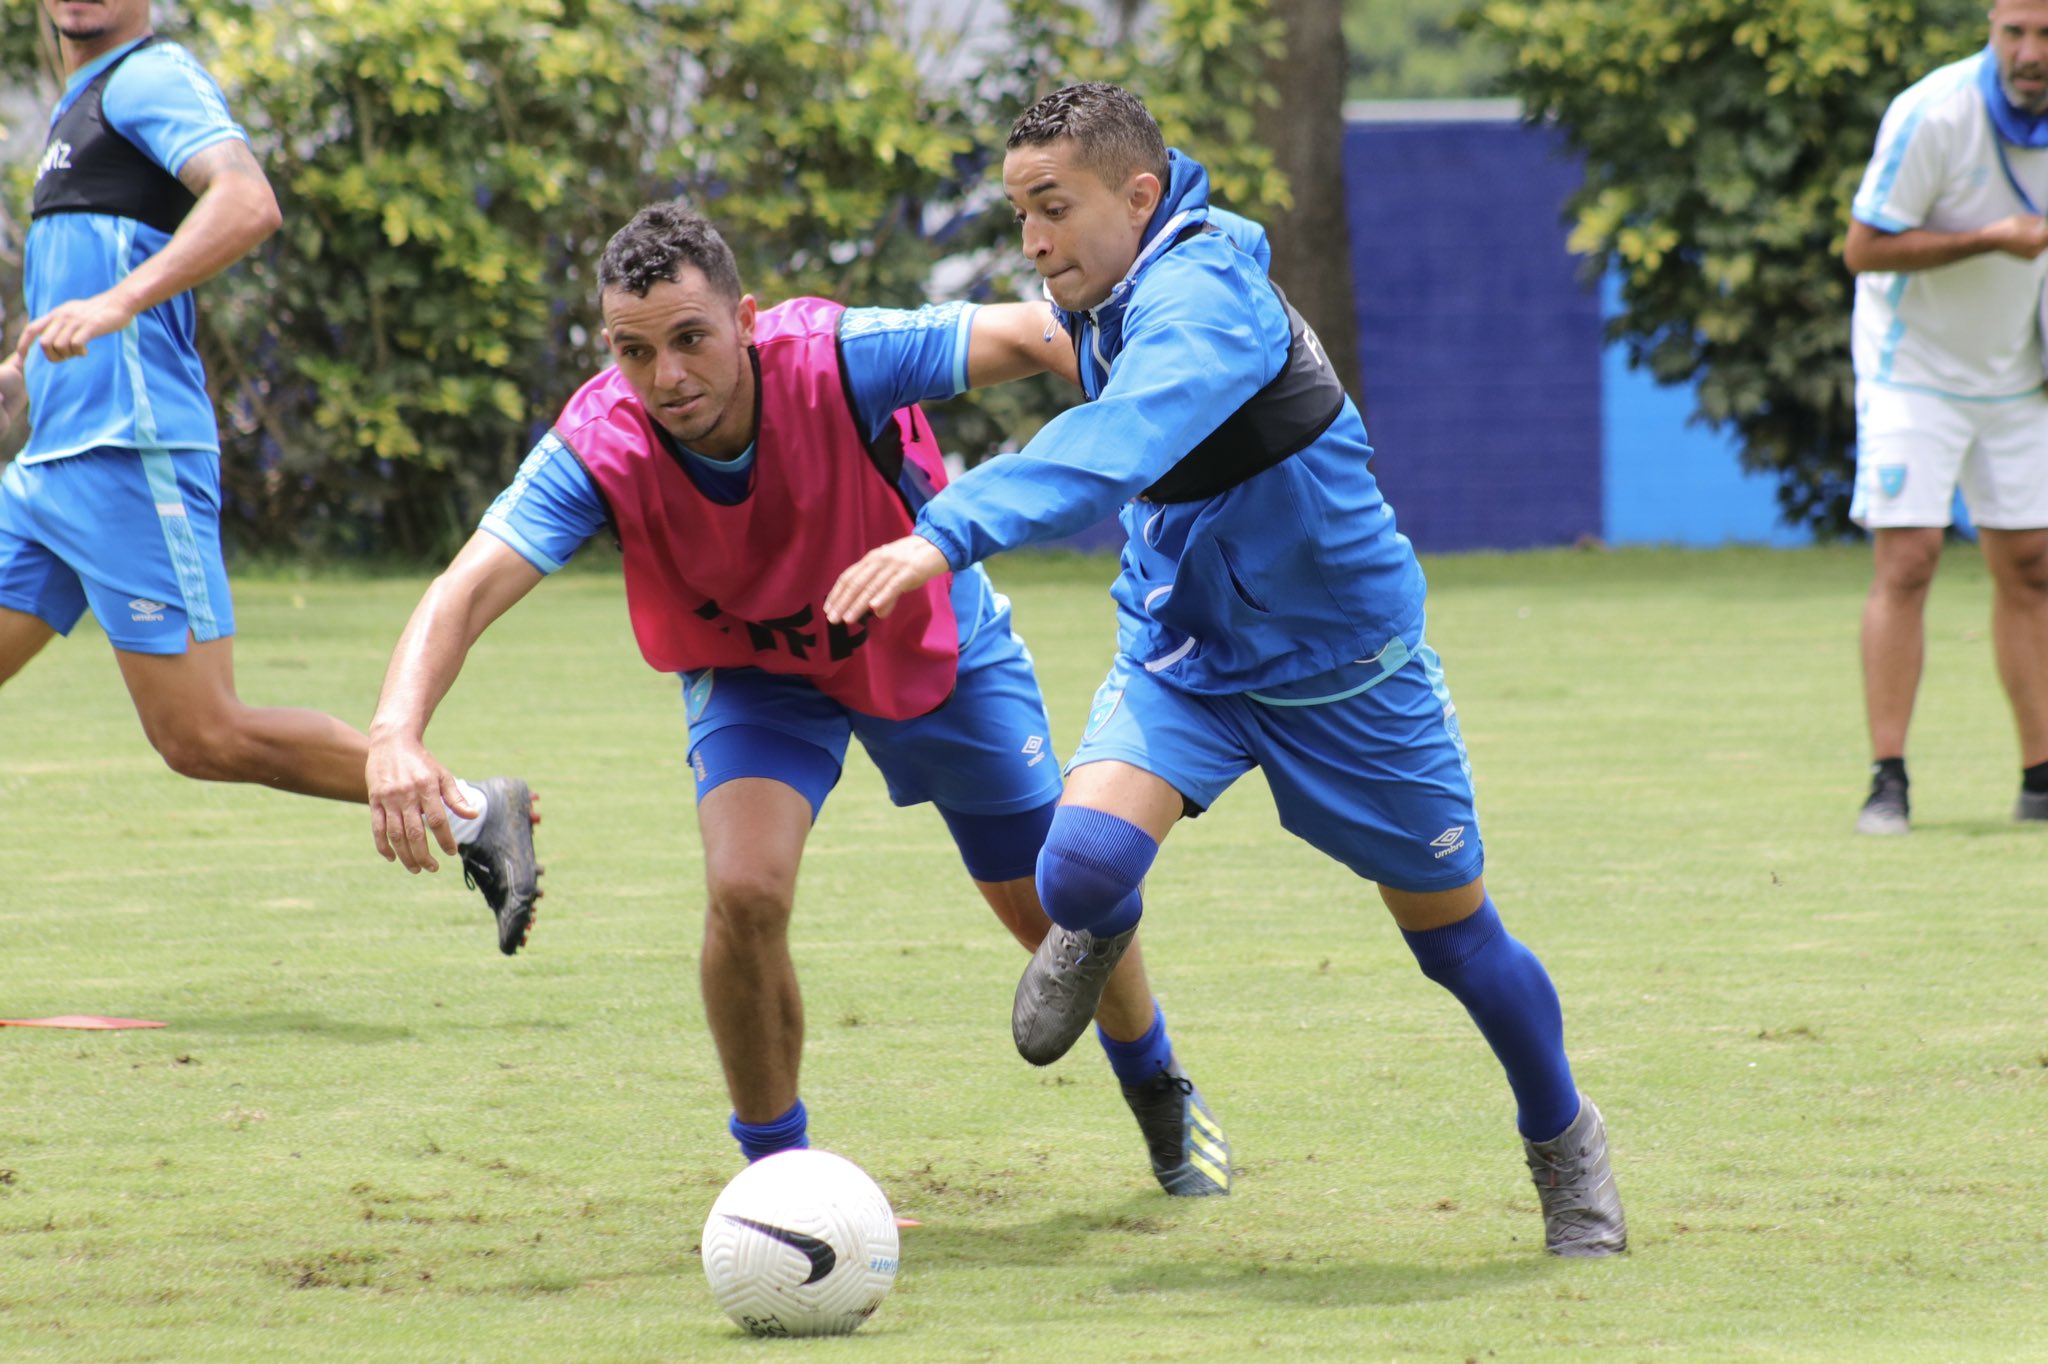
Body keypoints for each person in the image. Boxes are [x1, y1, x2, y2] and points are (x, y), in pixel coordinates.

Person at [826, 82, 1625, 1256]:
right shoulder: (1099, 291)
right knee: (1080, 866)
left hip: (1345, 669)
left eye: (1054, 208)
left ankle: (1562, 1137)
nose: (1033, 240)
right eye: (1019, 215)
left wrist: (942, 529)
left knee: (1455, 943)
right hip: (1187, 652)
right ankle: (1096, 938)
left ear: (1139, 196)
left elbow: (1120, 442)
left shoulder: (1203, 296)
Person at [364, 202, 1231, 1195]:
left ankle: (1155, 1084)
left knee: (1059, 905)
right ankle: (779, 1177)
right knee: (743, 890)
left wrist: (1161, 415)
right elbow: (465, 587)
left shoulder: (838, 356)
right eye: (634, 351)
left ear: (744, 319)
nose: (667, 377)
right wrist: (395, 728)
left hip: (924, 637)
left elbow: (1030, 333)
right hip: (755, 669)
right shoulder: (598, 443)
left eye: (689, 339)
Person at [0, 0, 540, 951]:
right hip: (52, 467)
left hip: (133, 457)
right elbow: (81, 289)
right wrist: (20, 375)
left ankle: (467, 812)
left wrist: (120, 301)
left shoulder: (150, 77)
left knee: (203, 736)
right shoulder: (74, 105)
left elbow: (247, 201)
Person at [1843, 0, 2048, 835]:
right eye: (2016, 33)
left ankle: (2040, 778)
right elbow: (1863, 249)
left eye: (2046, 35)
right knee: (1912, 560)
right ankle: (1887, 780)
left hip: (2017, 370)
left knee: (2033, 566)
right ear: (1993, 28)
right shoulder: (1934, 113)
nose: (2031, 52)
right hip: (1912, 369)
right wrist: (1993, 238)